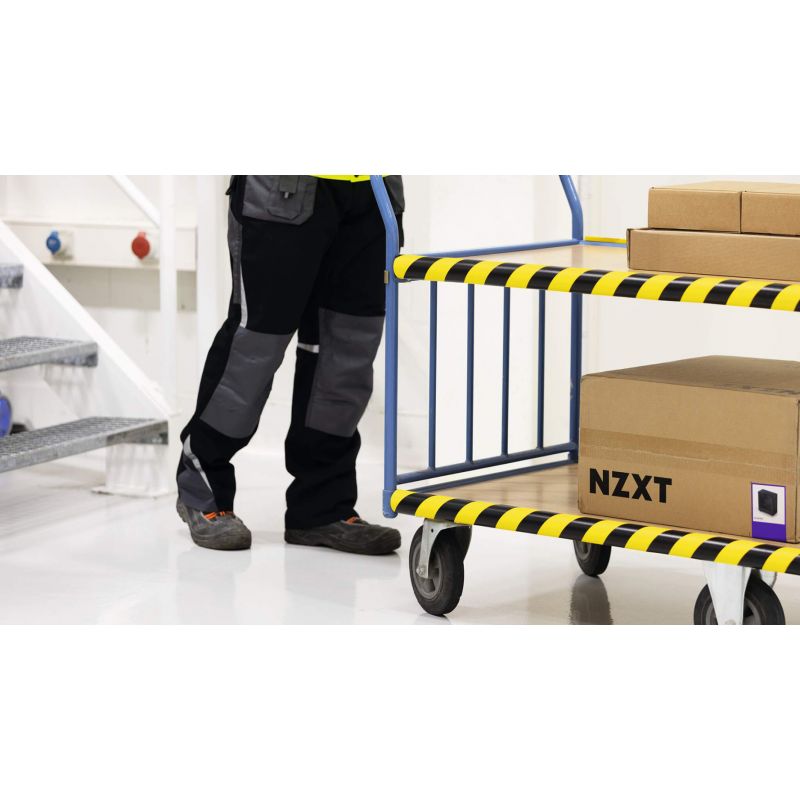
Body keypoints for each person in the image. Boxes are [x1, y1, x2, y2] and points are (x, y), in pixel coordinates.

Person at [176, 175, 404, 553]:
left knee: (347, 351)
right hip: (283, 188)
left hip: (374, 191)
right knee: (255, 347)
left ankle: (321, 509)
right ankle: (203, 486)